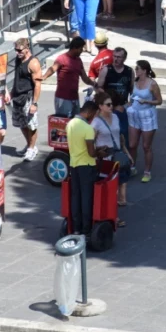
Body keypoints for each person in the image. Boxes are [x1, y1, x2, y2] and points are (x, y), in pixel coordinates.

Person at [92, 91, 132, 212]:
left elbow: (120, 138)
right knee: (109, 185)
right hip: (105, 157)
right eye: (108, 104)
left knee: (123, 177)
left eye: (111, 104)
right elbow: (91, 142)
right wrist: (95, 156)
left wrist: (128, 154)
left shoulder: (115, 117)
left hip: (118, 153)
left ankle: (121, 200)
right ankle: (111, 210)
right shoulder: (96, 122)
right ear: (100, 106)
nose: (111, 106)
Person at [67, 101, 101, 236]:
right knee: (86, 198)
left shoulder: (70, 124)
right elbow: (91, 153)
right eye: (94, 115)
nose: (93, 118)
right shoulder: (87, 129)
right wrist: (100, 152)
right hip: (87, 166)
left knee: (76, 196)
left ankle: (76, 228)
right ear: (90, 112)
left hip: (74, 164)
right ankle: (86, 230)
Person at [97, 47, 133, 167]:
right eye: (114, 56)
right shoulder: (107, 69)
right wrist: (108, 102)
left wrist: (129, 104)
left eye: (119, 57)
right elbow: (99, 87)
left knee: (123, 135)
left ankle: (125, 162)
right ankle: (108, 163)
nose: (116, 59)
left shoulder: (129, 71)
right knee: (108, 135)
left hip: (122, 108)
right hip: (109, 109)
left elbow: (132, 90)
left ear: (124, 58)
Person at [43, 37, 96, 118]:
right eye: (81, 48)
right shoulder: (62, 58)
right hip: (63, 98)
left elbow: (84, 78)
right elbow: (53, 68)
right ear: (74, 48)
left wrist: (94, 84)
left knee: (76, 123)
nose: (82, 50)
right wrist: (44, 76)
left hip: (75, 98)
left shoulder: (78, 60)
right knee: (64, 123)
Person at [128, 60, 161, 184]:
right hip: (135, 114)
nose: (135, 71)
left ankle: (147, 172)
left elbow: (159, 101)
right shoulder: (135, 82)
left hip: (147, 115)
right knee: (132, 144)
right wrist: (130, 104)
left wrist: (146, 101)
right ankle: (132, 167)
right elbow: (132, 97)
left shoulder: (152, 84)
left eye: (137, 69)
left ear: (144, 70)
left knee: (146, 146)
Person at [11, 38, 42, 162]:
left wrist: (34, 103)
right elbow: (16, 78)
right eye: (16, 50)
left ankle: (31, 149)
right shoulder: (18, 60)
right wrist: (12, 93)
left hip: (28, 98)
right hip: (17, 97)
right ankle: (30, 145)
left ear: (27, 48)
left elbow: (38, 85)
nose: (17, 52)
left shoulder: (33, 63)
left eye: (19, 50)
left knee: (31, 126)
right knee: (21, 124)